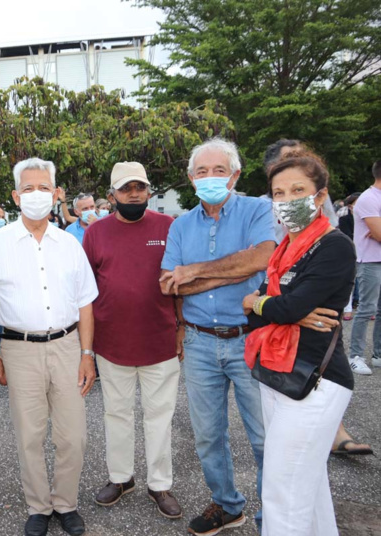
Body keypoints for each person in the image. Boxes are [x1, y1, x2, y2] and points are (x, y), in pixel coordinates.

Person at [0, 157, 98, 536]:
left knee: (73, 435)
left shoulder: (69, 244)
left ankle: (66, 503)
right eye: (28, 188)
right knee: (29, 435)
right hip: (19, 349)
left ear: (56, 193)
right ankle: (38, 507)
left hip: (67, 346)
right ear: (16, 196)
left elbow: (86, 303)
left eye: (43, 187)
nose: (36, 194)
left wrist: (87, 354)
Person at [160, 137, 274, 535]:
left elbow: (261, 257)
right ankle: (227, 505)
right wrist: (234, 270)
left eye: (219, 170)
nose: (210, 177)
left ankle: (273, 516)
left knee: (264, 437)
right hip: (200, 341)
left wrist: (193, 271)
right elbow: (167, 282)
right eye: (202, 171)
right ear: (192, 178)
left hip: (250, 338)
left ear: (235, 175)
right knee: (209, 436)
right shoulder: (181, 225)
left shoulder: (258, 209)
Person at [242, 150, 355, 535]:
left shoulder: (334, 246)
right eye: (279, 193)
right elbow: (260, 311)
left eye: (297, 190)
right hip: (278, 374)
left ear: (320, 196)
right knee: (308, 485)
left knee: (283, 492)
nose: (287, 200)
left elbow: (282, 306)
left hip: (314, 381)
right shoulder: (285, 251)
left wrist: (266, 304)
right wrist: (274, 307)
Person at [84, 162, 183, 520]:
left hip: (160, 341)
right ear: (112, 195)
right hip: (112, 343)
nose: (134, 194)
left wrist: (181, 328)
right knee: (117, 413)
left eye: (140, 187)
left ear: (149, 191)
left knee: (160, 416)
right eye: (126, 189)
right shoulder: (95, 233)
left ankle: (160, 484)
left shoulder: (168, 226)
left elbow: (180, 282)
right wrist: (87, 347)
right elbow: (86, 292)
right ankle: (121, 478)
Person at [347, 160, 381, 375]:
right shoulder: (368, 198)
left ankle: (378, 354)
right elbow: (378, 234)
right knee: (367, 309)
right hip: (370, 261)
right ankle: (355, 355)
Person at [339, 193, 360, 320]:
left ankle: (367, 307)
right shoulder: (344, 218)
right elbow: (346, 236)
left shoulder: (366, 218)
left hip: (364, 252)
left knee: (364, 281)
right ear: (350, 206)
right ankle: (347, 309)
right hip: (349, 252)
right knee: (349, 280)